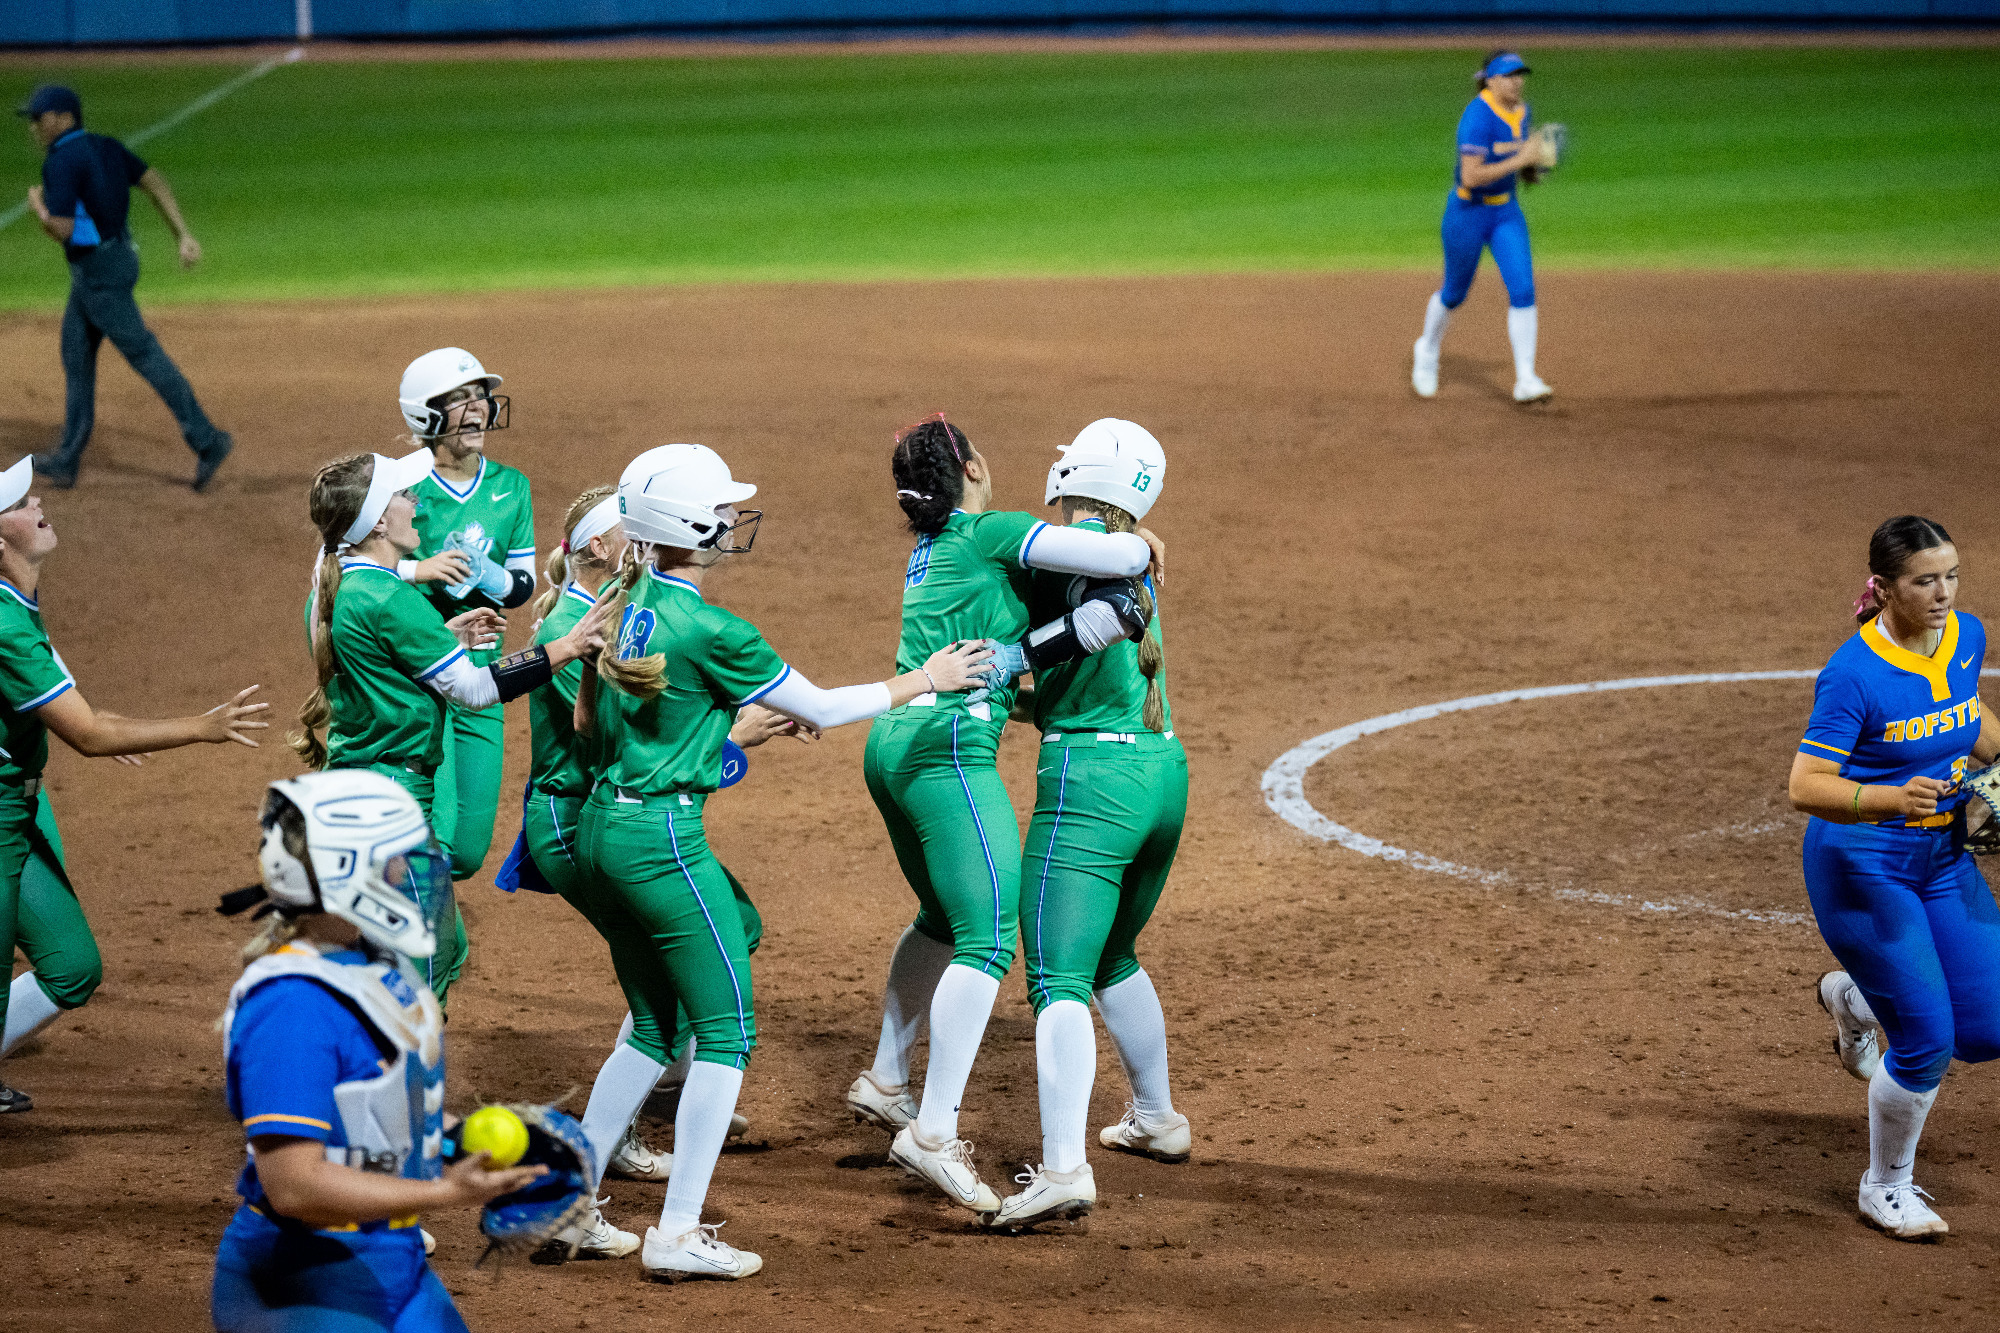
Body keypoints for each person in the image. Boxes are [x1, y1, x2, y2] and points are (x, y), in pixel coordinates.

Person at [567, 443, 990, 1279]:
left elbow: (592, 729)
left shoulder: (630, 598)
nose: (730, 519)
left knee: (655, 1026)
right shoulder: (713, 626)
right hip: (663, 844)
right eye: (718, 510)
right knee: (726, 1034)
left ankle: (566, 1203)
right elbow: (826, 708)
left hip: (602, 830)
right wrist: (925, 678)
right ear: (689, 523)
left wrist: (714, 730)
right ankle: (678, 1230)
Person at [848, 415, 1162, 1219]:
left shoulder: (930, 548)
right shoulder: (988, 530)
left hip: (895, 743)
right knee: (989, 940)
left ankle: (887, 1078)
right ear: (975, 466)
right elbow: (1122, 558)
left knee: (945, 916)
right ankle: (932, 1131)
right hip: (948, 751)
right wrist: (1142, 541)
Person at [512, 485, 796, 1213]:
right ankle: (640, 1122)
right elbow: (625, 749)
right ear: (601, 548)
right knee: (680, 1002)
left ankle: (621, 1127)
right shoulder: (590, 625)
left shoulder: (609, 613)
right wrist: (734, 737)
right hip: (587, 821)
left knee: (721, 942)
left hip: (592, 813)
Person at [210, 770, 549, 1333]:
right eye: (395, 856)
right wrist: (445, 1192)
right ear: (347, 871)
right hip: (303, 1279)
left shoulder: (372, 967)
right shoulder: (291, 1005)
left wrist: (465, 1141)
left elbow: (373, 1119)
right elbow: (292, 1185)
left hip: (394, 1260)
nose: (409, 871)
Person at [290, 449, 608, 1006]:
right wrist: (567, 646)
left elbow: (385, 659)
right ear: (378, 522)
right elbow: (476, 690)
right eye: (403, 497)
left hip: (358, 789)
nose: (416, 503)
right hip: (393, 802)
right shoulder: (390, 597)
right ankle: (392, 1082)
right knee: (425, 968)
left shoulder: (343, 586)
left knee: (437, 950)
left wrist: (446, 641)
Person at [0, 454, 266, 1114]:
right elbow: (88, 735)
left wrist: (120, 726)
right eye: (20, 504)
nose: (39, 505)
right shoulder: (5, 624)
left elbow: (89, 718)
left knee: (70, 964)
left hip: (19, 814)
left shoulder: (18, 604)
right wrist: (201, 728)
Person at [988, 419, 1193, 1232]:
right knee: (1112, 952)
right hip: (1160, 773)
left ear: (1073, 472)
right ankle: (1156, 1116)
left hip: (1089, 786)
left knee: (1057, 980)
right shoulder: (1135, 548)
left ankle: (1065, 1168)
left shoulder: (1068, 549)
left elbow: (1067, 628)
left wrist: (1001, 665)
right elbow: (1080, 673)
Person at [1790, 515, 2000, 1241]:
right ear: (1884, 588)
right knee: (1927, 1039)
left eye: (1951, 575)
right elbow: (1805, 784)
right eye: (1924, 580)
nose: (1943, 592)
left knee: (1990, 1026)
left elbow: (1967, 716)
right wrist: (1888, 796)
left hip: (1941, 859)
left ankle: (1856, 996)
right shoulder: (1853, 674)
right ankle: (1886, 1185)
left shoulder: (1965, 635)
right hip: (1862, 864)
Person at [16, 84, 232, 491]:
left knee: (146, 355)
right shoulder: (106, 146)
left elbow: (61, 229)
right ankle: (66, 458)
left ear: (64, 118)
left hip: (99, 275)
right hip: (115, 262)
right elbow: (154, 180)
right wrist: (181, 234)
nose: (33, 127)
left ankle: (208, 440)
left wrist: (39, 208)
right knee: (75, 354)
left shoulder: (61, 161)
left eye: (38, 117)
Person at [393, 348, 538, 884]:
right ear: (425, 415)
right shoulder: (399, 486)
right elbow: (349, 571)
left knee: (468, 852)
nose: (478, 408)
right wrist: (420, 569)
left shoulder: (511, 487)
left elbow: (521, 587)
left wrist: (488, 575)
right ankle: (416, 944)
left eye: (479, 395)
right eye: (459, 399)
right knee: (437, 836)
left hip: (482, 673)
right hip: (418, 675)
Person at [1409, 51, 1559, 405]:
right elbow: (1471, 176)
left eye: (1520, 74)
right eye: (1508, 75)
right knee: (1454, 293)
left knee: (1523, 289)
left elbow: (1517, 165)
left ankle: (1525, 379)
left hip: (1506, 214)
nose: (1517, 81)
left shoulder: (1524, 112)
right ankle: (1427, 351)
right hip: (1468, 214)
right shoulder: (1477, 117)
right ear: (1490, 80)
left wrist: (1533, 171)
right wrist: (1521, 159)